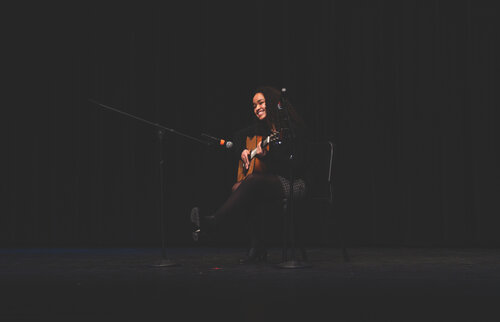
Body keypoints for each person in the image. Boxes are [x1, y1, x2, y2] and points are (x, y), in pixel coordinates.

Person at [191, 86, 308, 263]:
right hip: (271, 182)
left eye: (260, 103)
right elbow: (238, 137)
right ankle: (257, 246)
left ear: (271, 103)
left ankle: (213, 223)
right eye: (254, 105)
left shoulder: (290, 128)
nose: (257, 108)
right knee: (238, 187)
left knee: (251, 181)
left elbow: (295, 165)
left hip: (295, 182)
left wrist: (267, 156)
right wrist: (243, 151)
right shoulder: (263, 129)